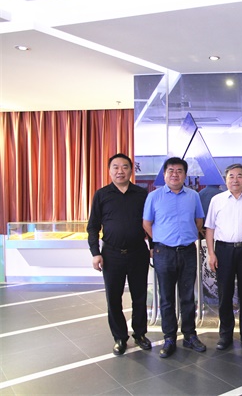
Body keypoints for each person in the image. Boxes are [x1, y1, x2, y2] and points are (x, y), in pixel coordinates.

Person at [87, 153, 152, 355]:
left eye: (124, 167)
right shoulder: (101, 195)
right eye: (115, 167)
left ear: (131, 170)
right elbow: (93, 227)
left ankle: (140, 334)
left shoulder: (142, 194)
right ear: (109, 171)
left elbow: (151, 223)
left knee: (140, 296)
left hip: (138, 252)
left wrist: (153, 246)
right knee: (113, 298)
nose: (120, 171)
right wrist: (95, 253)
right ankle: (120, 337)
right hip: (111, 254)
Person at [142, 157, 206, 358]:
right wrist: (161, 239)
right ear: (164, 174)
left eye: (179, 171)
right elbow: (146, 223)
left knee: (187, 296)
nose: (175, 174)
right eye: (171, 170)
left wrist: (185, 236)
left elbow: (199, 221)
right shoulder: (154, 197)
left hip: (187, 251)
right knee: (166, 297)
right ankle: (169, 337)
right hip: (164, 253)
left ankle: (189, 335)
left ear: (185, 175)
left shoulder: (193, 196)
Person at [205, 163, 242, 350]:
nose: (235, 180)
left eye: (239, 176)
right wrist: (211, 253)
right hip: (223, 250)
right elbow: (210, 229)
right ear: (226, 179)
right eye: (231, 176)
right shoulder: (217, 200)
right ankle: (225, 335)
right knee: (224, 293)